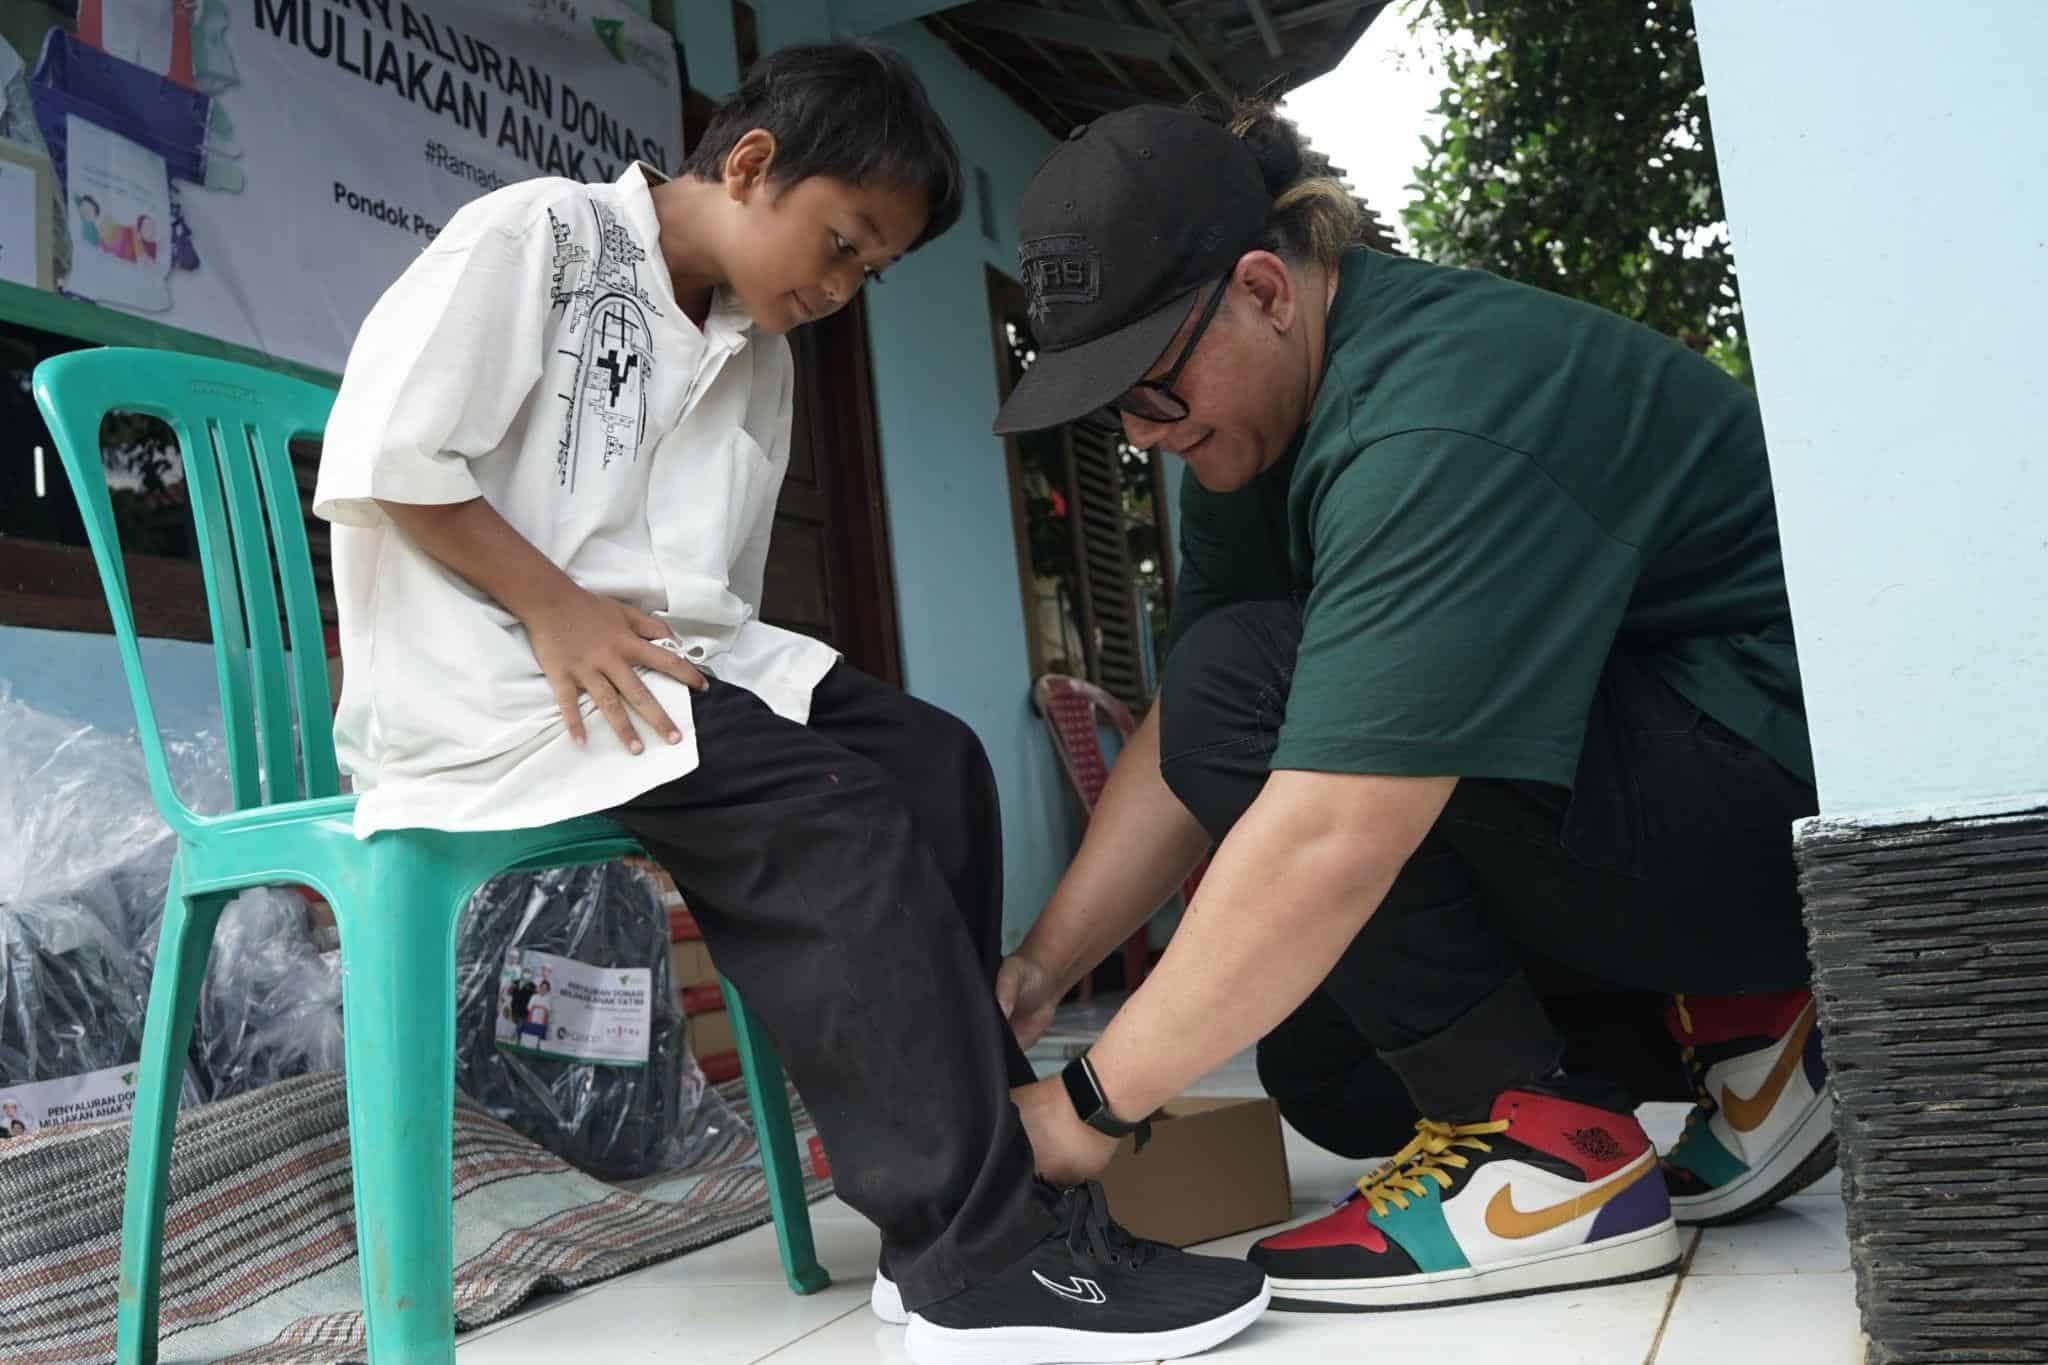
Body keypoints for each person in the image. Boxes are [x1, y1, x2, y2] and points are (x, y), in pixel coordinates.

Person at [313, 44, 1266, 1365]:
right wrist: (553, 606)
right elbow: (388, 457)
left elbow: (708, 594)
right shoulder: (543, 233)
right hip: (502, 661)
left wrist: (647, 638)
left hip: (668, 661)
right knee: (834, 820)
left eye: (868, 270)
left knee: (934, 765)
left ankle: (977, 1206)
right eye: (841, 242)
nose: (838, 287)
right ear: (751, 164)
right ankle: (976, 1258)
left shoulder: (756, 347)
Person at [990, 103, 1833, 1311]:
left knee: (1251, 695)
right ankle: (1741, 1027)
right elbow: (1187, 736)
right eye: (1109, 413)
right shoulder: (1254, 419)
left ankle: (1550, 1160)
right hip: (1670, 784)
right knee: (1332, 1071)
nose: (1142, 436)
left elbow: (1333, 821)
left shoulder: (1433, 413)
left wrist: (1086, 1111)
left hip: (1774, 814)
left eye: (1151, 390)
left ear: (1266, 290)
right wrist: (1039, 969)